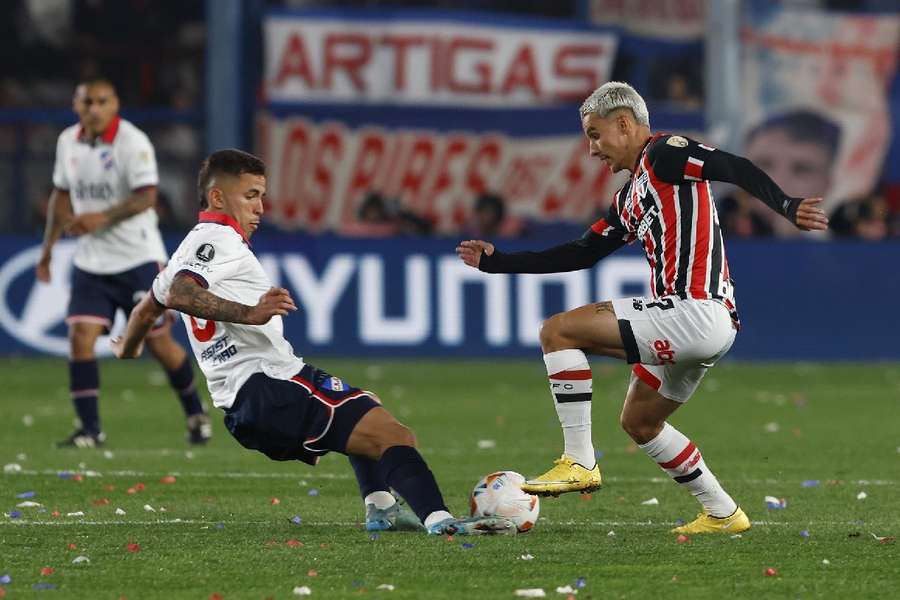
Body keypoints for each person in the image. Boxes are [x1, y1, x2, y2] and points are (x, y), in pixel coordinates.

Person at [456, 82, 828, 534]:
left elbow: (734, 165)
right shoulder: (630, 197)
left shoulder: (664, 154)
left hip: (692, 310)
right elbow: (580, 253)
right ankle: (723, 513)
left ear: (625, 124)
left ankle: (578, 460)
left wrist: (786, 205)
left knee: (558, 332)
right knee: (641, 421)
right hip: (706, 324)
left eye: (595, 134)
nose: (592, 149)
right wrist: (498, 264)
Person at [111, 148, 515, 536]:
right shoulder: (218, 241)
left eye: (262, 196)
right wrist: (248, 313)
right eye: (251, 196)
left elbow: (149, 308)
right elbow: (182, 292)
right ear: (217, 197)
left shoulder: (187, 250)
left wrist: (128, 349)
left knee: (365, 405)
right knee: (396, 438)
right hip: (272, 386)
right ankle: (440, 520)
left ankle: (382, 510)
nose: (261, 208)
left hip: (241, 405)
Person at [36, 77, 212, 448]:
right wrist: (47, 249)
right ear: (76, 105)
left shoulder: (132, 142)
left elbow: (147, 198)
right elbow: (61, 196)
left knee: (159, 345)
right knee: (80, 338)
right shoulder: (68, 141)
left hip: (138, 259)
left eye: (102, 101)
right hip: (91, 262)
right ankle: (90, 430)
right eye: (87, 102)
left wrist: (99, 217)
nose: (94, 109)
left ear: (115, 105)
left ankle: (196, 413)